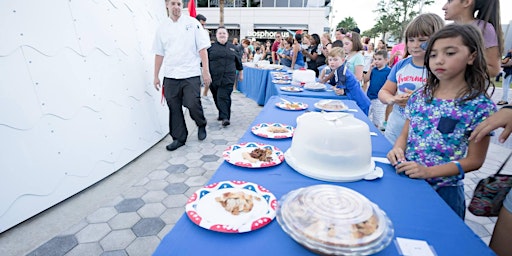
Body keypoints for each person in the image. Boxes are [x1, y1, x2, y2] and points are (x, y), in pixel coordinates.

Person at [387, 24, 497, 220]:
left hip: (445, 191)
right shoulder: (420, 95)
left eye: (450, 53)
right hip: (407, 180)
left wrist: (428, 171)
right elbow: (406, 133)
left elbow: (475, 160)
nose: (439, 60)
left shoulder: (480, 106)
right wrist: (397, 149)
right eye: (433, 55)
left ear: (471, 56)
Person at [153, 0, 211, 151]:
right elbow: (159, 53)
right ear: (167, 5)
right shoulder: (162, 28)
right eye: (173, 3)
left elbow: (202, 49)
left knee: (192, 103)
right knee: (174, 107)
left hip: (190, 73)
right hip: (171, 75)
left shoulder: (193, 24)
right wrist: (156, 75)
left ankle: (201, 123)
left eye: (179, 4)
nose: (176, 7)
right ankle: (179, 138)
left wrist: (205, 71)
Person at [378, 13, 445, 144]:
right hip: (395, 130)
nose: (415, 45)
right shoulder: (401, 65)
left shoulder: (441, 69)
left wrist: (417, 100)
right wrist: (392, 99)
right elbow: (384, 91)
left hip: (424, 136)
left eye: (422, 40)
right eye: (411, 39)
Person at [442, 0, 503, 77]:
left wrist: (459, 66)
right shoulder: (445, 30)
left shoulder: (484, 29)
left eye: (450, 1)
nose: (443, 7)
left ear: (466, 2)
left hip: (469, 88)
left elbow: (493, 69)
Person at [205, 27, 243, 127]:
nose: (222, 35)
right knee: (216, 96)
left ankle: (226, 118)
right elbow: (204, 62)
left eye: (224, 33)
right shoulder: (210, 48)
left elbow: (238, 62)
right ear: (216, 35)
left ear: (227, 35)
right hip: (214, 78)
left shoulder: (233, 47)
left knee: (224, 96)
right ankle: (222, 113)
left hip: (228, 77)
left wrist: (241, 73)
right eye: (220, 33)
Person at [326, 47, 371, 115]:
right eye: (330, 60)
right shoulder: (339, 69)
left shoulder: (342, 72)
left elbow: (340, 91)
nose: (332, 62)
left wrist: (337, 88)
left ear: (343, 60)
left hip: (360, 102)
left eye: (335, 60)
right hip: (356, 99)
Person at [363, 50, 391, 129]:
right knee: (366, 116)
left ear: (386, 60)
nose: (376, 61)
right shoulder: (374, 70)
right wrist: (370, 69)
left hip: (379, 99)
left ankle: (376, 131)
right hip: (369, 96)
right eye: (375, 59)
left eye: (379, 59)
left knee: (377, 119)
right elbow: (365, 80)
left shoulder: (388, 71)